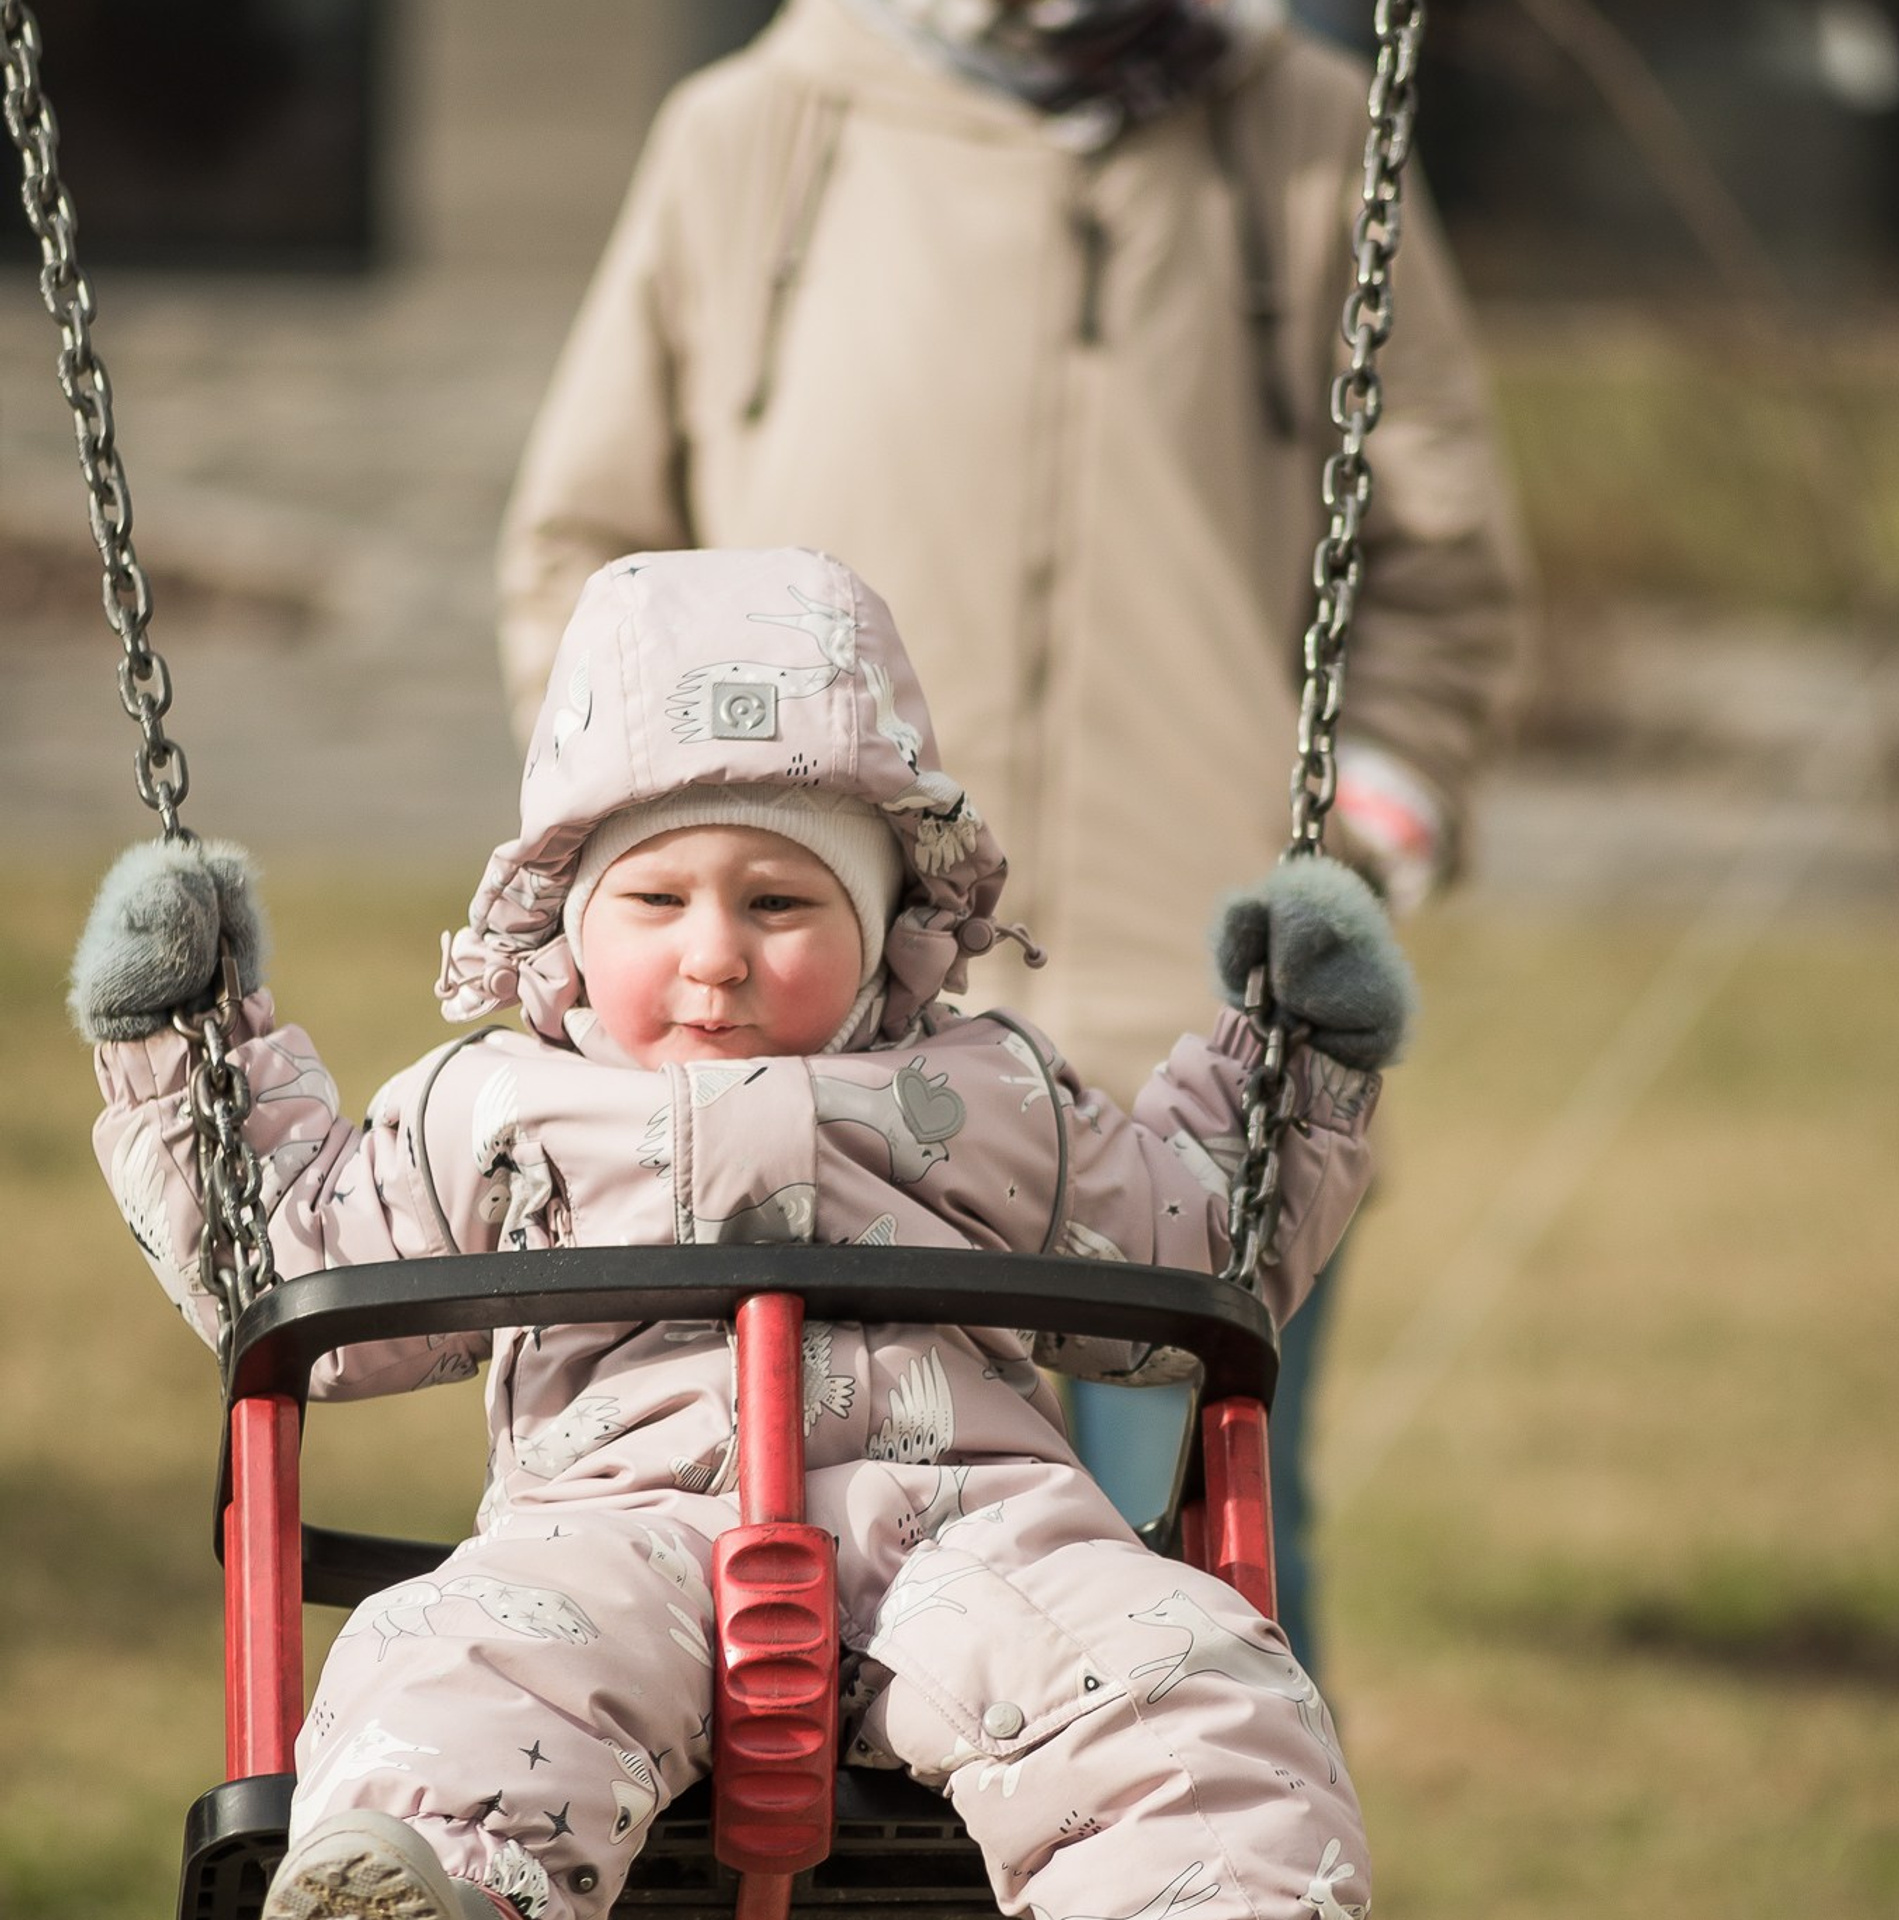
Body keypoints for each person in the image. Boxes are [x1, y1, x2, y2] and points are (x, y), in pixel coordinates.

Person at [72, 548, 1412, 1920]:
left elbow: (1192, 1254)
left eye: (780, 902)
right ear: (574, 925)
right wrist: (183, 1043)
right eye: (658, 902)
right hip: (613, 1534)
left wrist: (1296, 1067)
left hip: (971, 1538)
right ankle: (440, 1894)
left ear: (888, 923)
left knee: (1183, 1677)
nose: (715, 954)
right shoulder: (497, 1105)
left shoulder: (993, 1096)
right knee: (461, 1657)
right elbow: (295, 1266)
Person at [493, 0, 1534, 1677]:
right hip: (802, 1048)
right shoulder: (760, 131)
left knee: (1197, 1576)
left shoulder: (1307, 134)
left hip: (1185, 1027)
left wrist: (1355, 847)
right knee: (784, 1587)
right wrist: (661, 876)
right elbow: (589, 546)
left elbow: (1440, 563)